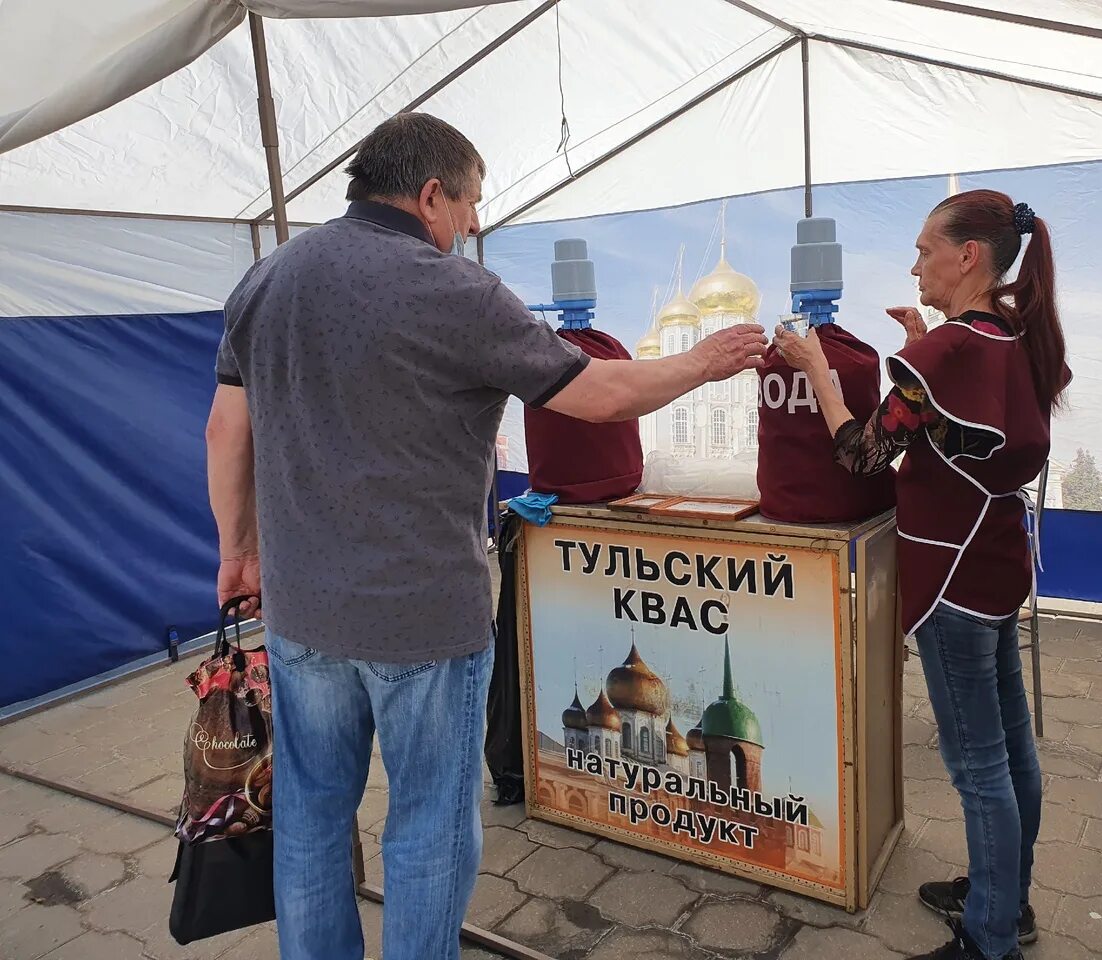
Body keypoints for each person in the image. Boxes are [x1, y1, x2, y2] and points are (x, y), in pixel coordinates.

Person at [204, 112, 767, 960]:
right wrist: (703, 363)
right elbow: (598, 394)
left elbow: (224, 432)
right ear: (431, 194)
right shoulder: (453, 291)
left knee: (314, 816)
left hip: (300, 610)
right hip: (423, 620)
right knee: (427, 825)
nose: (470, 225)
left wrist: (238, 553)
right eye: (469, 205)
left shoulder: (269, 276)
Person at [775, 189, 1070, 960]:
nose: (914, 267)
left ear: (967, 254)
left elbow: (862, 453)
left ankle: (990, 938)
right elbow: (975, 435)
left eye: (923, 250)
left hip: (950, 579)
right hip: (1000, 565)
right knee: (1013, 750)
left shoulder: (948, 353)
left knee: (978, 767)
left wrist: (815, 370)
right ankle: (1008, 898)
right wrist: (927, 352)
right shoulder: (1012, 332)